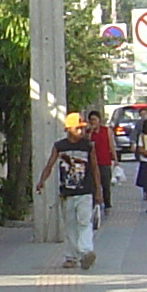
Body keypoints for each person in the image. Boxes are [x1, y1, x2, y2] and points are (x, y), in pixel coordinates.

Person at [37, 112, 98, 268]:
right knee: (70, 225)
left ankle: (86, 252)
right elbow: (50, 164)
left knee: (84, 222)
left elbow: (94, 168)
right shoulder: (60, 146)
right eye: (78, 128)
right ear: (68, 129)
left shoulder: (88, 146)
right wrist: (42, 180)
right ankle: (71, 257)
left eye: (82, 128)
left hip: (85, 191)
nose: (81, 131)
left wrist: (99, 190)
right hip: (67, 192)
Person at [86, 109, 116, 214]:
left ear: (99, 120)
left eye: (95, 119)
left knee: (106, 184)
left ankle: (107, 204)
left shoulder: (106, 130)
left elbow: (111, 144)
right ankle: (95, 204)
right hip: (93, 161)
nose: (93, 122)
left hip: (104, 160)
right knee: (93, 184)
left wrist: (115, 158)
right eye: (91, 120)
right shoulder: (88, 132)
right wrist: (90, 131)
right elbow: (87, 143)